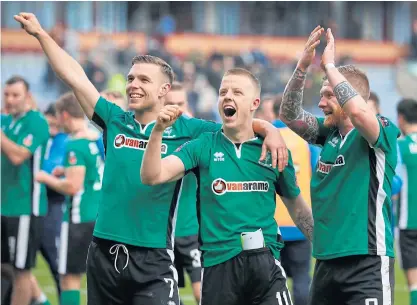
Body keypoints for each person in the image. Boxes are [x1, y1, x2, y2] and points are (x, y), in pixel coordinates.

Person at [15, 13, 289, 305]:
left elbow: (237, 128)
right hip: (103, 254)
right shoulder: (114, 120)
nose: (132, 84)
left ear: (164, 90)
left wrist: (269, 128)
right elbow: (75, 77)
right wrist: (41, 35)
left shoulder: (190, 129)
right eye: (131, 78)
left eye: (143, 79)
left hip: (153, 260)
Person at [141, 68, 314, 305]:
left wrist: (325, 247)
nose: (227, 96)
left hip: (265, 265)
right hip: (218, 267)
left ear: (254, 103)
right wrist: (158, 131)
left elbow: (297, 208)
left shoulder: (274, 149)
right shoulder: (203, 146)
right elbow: (153, 175)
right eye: (223, 92)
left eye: (237, 92)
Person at [280, 26, 399, 304]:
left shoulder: (380, 131)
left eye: (329, 95)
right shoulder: (329, 134)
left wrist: (331, 65)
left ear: (350, 95)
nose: (320, 103)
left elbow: (358, 111)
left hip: (367, 260)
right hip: (325, 262)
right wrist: (302, 67)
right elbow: (289, 114)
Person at [36, 92, 103, 305]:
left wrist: (45, 177)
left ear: (64, 115)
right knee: (102, 279)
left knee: (69, 280)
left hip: (77, 218)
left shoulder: (74, 144)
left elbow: (73, 187)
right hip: (99, 217)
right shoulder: (97, 138)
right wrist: (64, 171)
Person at [258, 94, 319, 305]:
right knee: (302, 278)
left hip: (271, 224)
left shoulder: (262, 138)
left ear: (273, 113)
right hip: (299, 221)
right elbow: (317, 178)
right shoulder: (305, 143)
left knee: (271, 282)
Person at [1, 76, 50, 305]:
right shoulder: (6, 121)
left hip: (25, 208)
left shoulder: (36, 122)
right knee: (4, 266)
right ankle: (39, 300)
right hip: (5, 204)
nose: (9, 100)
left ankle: (37, 299)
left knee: (21, 270)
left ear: (27, 97)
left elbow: (18, 155)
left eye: (15, 95)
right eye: (6, 94)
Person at [165, 82, 201, 304]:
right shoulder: (155, 136)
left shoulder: (198, 135)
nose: (176, 109)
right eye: (171, 104)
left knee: (202, 293)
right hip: (161, 232)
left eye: (180, 104)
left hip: (191, 229)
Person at [39, 104, 68, 300]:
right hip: (29, 204)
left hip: (54, 205)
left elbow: (52, 167)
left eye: (55, 124)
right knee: (12, 266)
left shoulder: (63, 140)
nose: (52, 128)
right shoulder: (40, 137)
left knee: (56, 262)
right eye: (48, 123)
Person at [396, 98, 417, 305]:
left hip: (408, 223)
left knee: (414, 283)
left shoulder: (399, 146)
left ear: (401, 118)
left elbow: (394, 185)